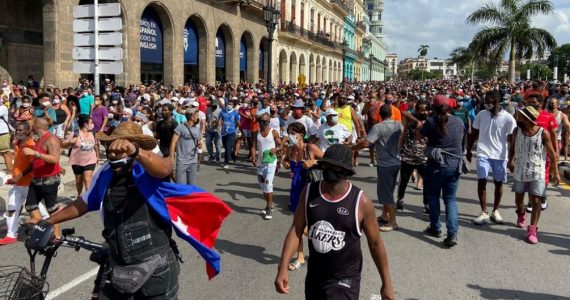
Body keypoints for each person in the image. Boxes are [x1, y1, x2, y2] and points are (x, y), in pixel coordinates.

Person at [275, 144, 394, 300]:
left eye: (335, 167)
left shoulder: (361, 201)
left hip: (345, 279)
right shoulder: (309, 192)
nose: (329, 170)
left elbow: (376, 244)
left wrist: (387, 283)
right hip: (315, 276)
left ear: (345, 171)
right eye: (326, 165)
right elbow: (297, 230)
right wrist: (282, 268)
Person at [417, 95, 465, 247]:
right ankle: (452, 234)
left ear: (434, 108)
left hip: (436, 165)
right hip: (454, 164)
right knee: (450, 198)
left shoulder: (431, 122)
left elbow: (419, 136)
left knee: (433, 196)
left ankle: (435, 227)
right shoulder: (458, 121)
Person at [508, 107, 560, 244]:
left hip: (537, 170)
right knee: (519, 198)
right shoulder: (516, 131)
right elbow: (512, 147)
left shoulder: (544, 133)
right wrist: (510, 160)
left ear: (528, 119)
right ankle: (521, 213)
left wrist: (556, 172)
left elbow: (552, 154)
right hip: (520, 170)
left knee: (536, 200)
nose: (517, 119)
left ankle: (532, 229)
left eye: (520, 117)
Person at [466, 90, 517, 225]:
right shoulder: (481, 114)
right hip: (483, 153)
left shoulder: (508, 118)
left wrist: (512, 159)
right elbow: (474, 133)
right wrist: (469, 150)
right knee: (481, 181)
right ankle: (484, 212)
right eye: (485, 101)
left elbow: (513, 139)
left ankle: (495, 210)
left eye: (489, 102)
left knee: (498, 183)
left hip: (500, 155)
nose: (486, 104)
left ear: (497, 102)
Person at [282, 122, 324, 271]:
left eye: (293, 133)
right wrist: (285, 163)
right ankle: (300, 256)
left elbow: (329, 161)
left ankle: (322, 249)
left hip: (312, 191)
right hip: (296, 192)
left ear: (301, 134)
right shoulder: (290, 149)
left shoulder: (310, 148)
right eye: (289, 133)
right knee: (298, 226)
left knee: (313, 225)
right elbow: (286, 160)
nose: (290, 136)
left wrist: (314, 162)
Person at [364, 105, 403, 231]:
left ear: (379, 115)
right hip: (396, 162)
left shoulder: (378, 127)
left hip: (385, 164)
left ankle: (393, 222)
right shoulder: (399, 125)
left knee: (386, 193)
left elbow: (367, 143)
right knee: (389, 190)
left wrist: (352, 147)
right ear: (392, 113)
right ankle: (385, 215)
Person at [23, 117, 62, 237]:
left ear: (35, 126)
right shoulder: (39, 139)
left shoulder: (51, 139)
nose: (29, 125)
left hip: (49, 180)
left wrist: (36, 153)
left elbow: (55, 158)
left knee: (52, 210)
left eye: (31, 123)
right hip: (37, 179)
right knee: (30, 205)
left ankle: (57, 236)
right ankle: (42, 231)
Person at [0, 122, 34, 245]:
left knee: (38, 210)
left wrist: (19, 175)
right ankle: (11, 234)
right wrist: (12, 176)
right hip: (16, 185)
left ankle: (49, 230)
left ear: (27, 132)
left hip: (29, 184)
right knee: (11, 208)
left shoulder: (31, 145)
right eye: (16, 130)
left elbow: (32, 165)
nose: (17, 132)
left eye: (20, 131)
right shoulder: (17, 145)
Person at [525, 94, 559, 212]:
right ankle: (531, 200)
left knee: (543, 177)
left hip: (544, 152)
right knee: (530, 177)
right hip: (528, 153)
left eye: (533, 102)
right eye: (528, 102)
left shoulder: (548, 116)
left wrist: (555, 151)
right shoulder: (524, 115)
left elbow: (553, 135)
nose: (530, 104)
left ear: (540, 103)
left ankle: (541, 196)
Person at [396, 100, 429, 213]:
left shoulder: (430, 121)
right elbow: (404, 113)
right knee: (404, 180)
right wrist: (399, 148)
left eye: (426, 109)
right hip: (408, 155)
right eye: (421, 109)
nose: (424, 112)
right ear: (416, 110)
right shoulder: (411, 120)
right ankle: (400, 200)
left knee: (427, 181)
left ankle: (426, 204)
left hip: (423, 157)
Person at [62, 115, 98, 196]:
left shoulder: (93, 134)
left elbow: (95, 145)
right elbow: (63, 145)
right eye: (91, 122)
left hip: (90, 160)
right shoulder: (75, 133)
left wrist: (97, 156)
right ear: (85, 124)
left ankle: (88, 198)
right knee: (79, 181)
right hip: (77, 161)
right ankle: (79, 195)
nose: (93, 124)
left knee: (87, 179)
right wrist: (70, 142)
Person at [255, 113, 282, 220]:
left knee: (268, 183)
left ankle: (269, 208)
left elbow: (280, 145)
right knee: (262, 184)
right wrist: (253, 157)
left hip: (271, 161)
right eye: (262, 121)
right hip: (261, 161)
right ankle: (268, 204)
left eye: (266, 121)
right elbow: (253, 145)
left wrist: (277, 149)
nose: (264, 123)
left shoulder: (273, 132)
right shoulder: (256, 132)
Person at [170, 109, 201, 185]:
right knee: (180, 186)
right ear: (192, 117)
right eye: (197, 116)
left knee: (191, 185)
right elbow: (173, 143)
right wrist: (172, 157)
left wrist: (199, 144)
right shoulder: (180, 127)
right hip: (182, 161)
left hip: (193, 161)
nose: (198, 118)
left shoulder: (197, 129)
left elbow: (199, 141)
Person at [219, 99, 240, 169]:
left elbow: (237, 122)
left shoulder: (235, 113)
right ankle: (233, 156)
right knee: (226, 147)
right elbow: (220, 120)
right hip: (224, 133)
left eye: (231, 104)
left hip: (231, 133)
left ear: (233, 106)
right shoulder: (222, 112)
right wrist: (218, 127)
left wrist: (237, 130)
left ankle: (226, 162)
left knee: (228, 147)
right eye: (228, 104)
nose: (229, 105)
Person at [0, 97, 13, 173]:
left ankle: (10, 170)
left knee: (5, 153)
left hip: (2, 133)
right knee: (3, 152)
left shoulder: (3, 107)